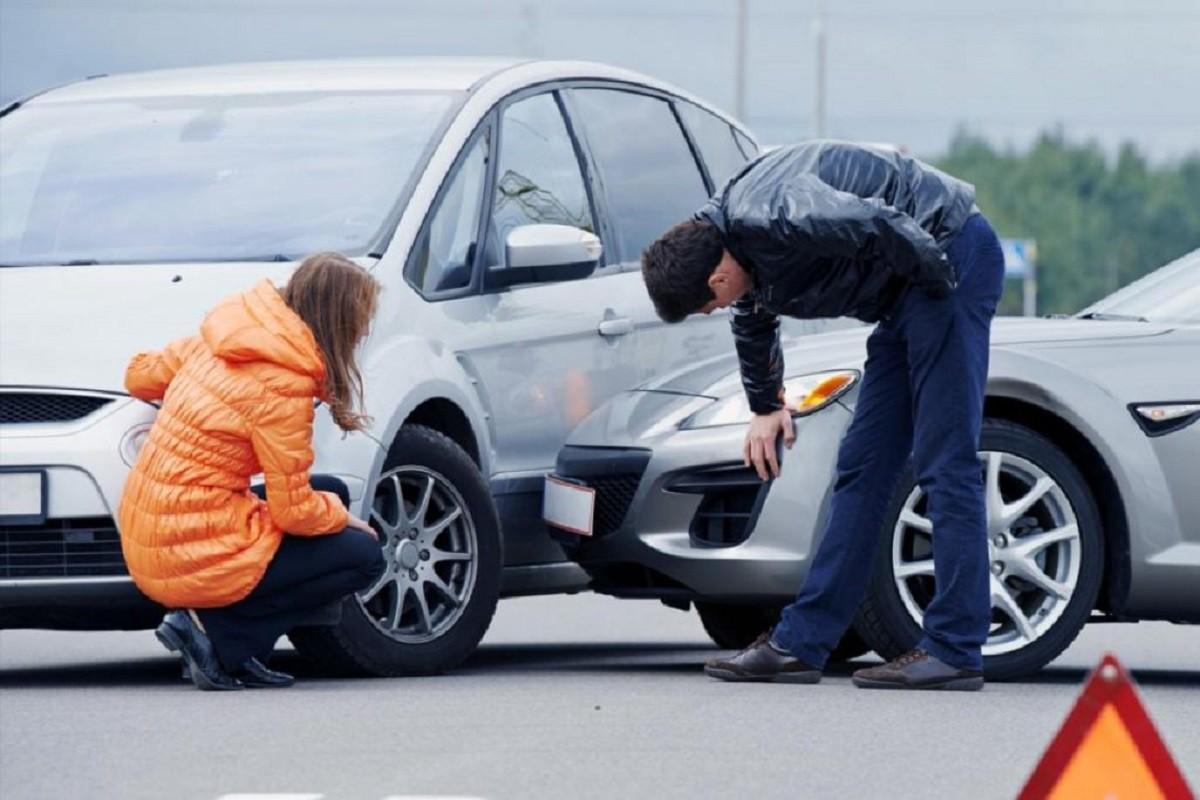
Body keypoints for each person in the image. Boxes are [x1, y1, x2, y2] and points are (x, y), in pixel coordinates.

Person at [641, 141, 1004, 691]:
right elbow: (754, 317)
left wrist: (938, 297)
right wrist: (765, 406)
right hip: (908, 292)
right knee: (862, 466)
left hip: (946, 262)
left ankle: (955, 648)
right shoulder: (730, 239)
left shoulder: (780, 213)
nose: (717, 310)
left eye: (707, 306)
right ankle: (801, 644)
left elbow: (880, 222)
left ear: (716, 279)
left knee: (943, 458)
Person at [117, 252, 386, 691]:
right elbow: (293, 512)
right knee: (363, 555)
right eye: (362, 318)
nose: (365, 330)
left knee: (330, 488)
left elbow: (138, 376)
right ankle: (220, 637)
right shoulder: (285, 384)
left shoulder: (226, 335)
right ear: (338, 319)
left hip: (150, 526)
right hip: (189, 547)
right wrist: (341, 516)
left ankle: (221, 636)